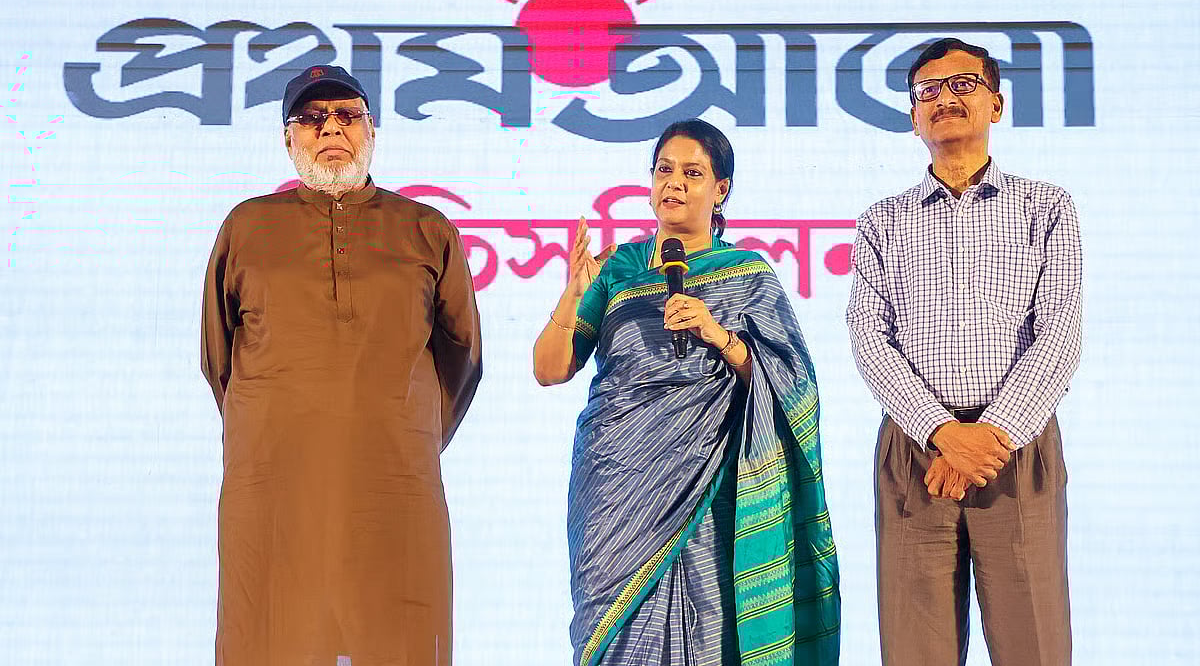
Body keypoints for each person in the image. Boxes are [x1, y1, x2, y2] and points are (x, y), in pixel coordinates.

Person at [201, 64, 482, 665]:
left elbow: (463, 356)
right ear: (288, 139)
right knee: (269, 635)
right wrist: (282, 418)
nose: (331, 129)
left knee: (400, 636)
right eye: (312, 118)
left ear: (372, 132)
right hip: (275, 486)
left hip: (394, 484)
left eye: (348, 116)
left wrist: (400, 430)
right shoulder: (247, 226)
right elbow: (218, 357)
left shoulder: (425, 228)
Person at [533, 119, 840, 666]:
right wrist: (571, 295)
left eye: (692, 173)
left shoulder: (747, 273)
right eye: (664, 170)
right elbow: (549, 369)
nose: (673, 183)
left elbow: (795, 384)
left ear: (720, 190)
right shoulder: (617, 267)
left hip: (707, 481)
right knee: (612, 630)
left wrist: (720, 337)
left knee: (710, 627)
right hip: (614, 483)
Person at [846, 38, 1082, 665]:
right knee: (914, 650)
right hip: (916, 457)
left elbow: (1059, 332)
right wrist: (943, 434)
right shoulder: (881, 221)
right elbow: (870, 340)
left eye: (962, 85)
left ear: (996, 104)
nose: (944, 98)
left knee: (1035, 643)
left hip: (1018, 450)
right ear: (912, 116)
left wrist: (992, 436)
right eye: (928, 90)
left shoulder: (1046, 206)